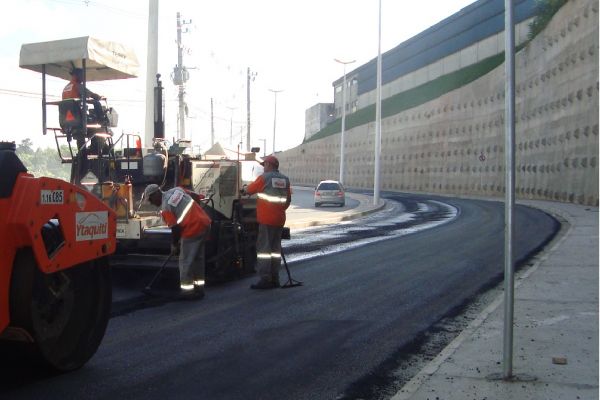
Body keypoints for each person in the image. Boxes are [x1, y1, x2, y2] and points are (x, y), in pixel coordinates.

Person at [143, 184, 212, 300]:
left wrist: (174, 245)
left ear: (156, 194)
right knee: (198, 259)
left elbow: (175, 228)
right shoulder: (176, 190)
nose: (151, 203)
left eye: (150, 199)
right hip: (204, 223)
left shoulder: (166, 208)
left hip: (193, 228)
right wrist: (196, 213)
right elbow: (195, 196)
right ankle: (199, 289)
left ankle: (187, 292)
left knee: (185, 261)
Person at [243, 155, 292, 289]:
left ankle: (265, 279)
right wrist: (279, 211)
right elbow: (288, 200)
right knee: (275, 249)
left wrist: (243, 189)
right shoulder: (285, 179)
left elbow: (250, 189)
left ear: (269, 165)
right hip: (279, 219)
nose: (264, 167)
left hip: (266, 219)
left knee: (264, 249)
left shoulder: (264, 178)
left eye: (264, 165)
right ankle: (275, 278)